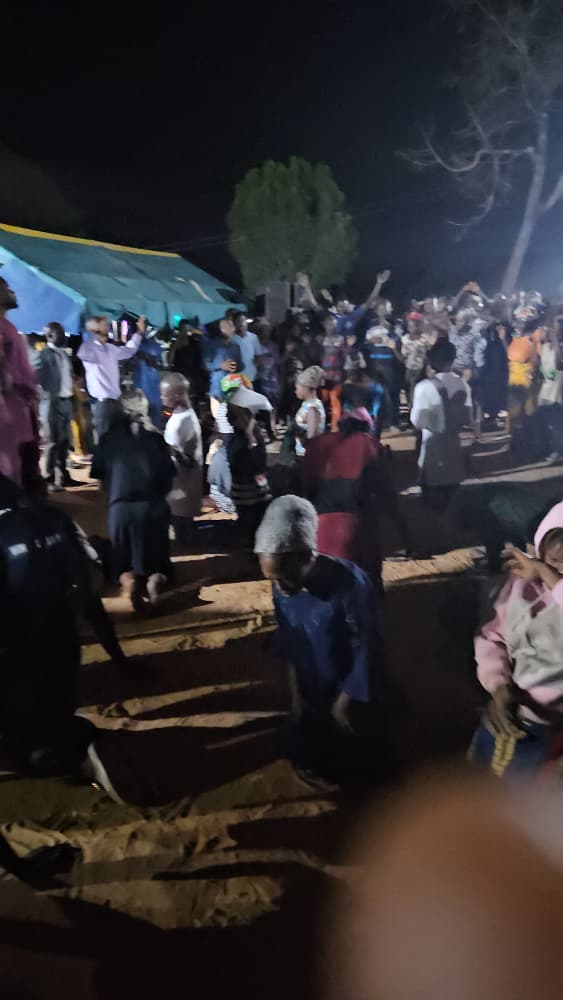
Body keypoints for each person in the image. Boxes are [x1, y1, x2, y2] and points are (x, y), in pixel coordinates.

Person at [0, 472, 126, 778]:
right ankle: (69, 751)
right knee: (60, 707)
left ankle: (59, 762)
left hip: (19, 649)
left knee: (23, 726)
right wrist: (117, 655)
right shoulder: (57, 519)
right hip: (64, 637)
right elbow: (87, 589)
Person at [255, 496, 383, 782]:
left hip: (347, 685)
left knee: (356, 755)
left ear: (307, 557)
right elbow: (290, 640)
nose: (279, 588)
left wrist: (347, 698)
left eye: (284, 577)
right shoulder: (282, 586)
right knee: (307, 748)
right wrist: (296, 695)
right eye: (272, 580)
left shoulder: (350, 583)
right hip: (311, 683)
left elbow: (367, 645)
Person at [470, 501, 563, 777]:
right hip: (528, 720)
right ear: (540, 553)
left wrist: (548, 575)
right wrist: (499, 685)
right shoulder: (518, 589)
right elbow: (491, 638)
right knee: (498, 783)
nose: (560, 571)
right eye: (555, 562)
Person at [301, 392, 399, 583]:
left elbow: (304, 487)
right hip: (357, 526)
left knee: (326, 584)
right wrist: (401, 528)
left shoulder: (317, 444)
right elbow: (386, 492)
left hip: (319, 527)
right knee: (367, 582)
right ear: (366, 427)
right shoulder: (369, 444)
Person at [90, 390, 175, 610]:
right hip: (153, 508)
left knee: (123, 563)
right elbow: (168, 480)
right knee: (158, 563)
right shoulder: (156, 439)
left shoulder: (107, 439)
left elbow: (101, 482)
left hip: (120, 510)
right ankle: (154, 582)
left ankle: (130, 583)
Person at [410, 339, 472, 512]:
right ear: (452, 360)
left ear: (431, 362)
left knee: (431, 508)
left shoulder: (423, 387)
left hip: (432, 451)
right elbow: (467, 418)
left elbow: (418, 421)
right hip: (453, 449)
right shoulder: (463, 385)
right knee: (451, 506)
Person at [0, 277, 40, 491]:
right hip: (7, 410)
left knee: (23, 462)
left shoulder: (9, 326)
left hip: (21, 407)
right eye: (6, 289)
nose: (12, 293)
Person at [77, 315, 145, 438]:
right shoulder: (90, 351)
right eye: (104, 327)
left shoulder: (110, 348)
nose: (107, 329)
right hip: (102, 404)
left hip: (116, 402)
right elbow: (82, 354)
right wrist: (93, 333)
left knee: (119, 438)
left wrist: (139, 333)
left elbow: (128, 351)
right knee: (105, 440)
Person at [160, 373, 203, 544]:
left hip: (183, 484)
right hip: (180, 484)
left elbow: (188, 461)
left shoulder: (185, 422)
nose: (162, 398)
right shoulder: (181, 415)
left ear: (177, 396)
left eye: (165, 395)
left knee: (182, 526)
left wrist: (170, 450)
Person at [37, 321, 77, 492]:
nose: (63, 336)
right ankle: (49, 478)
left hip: (67, 400)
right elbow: (37, 377)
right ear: (50, 336)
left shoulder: (64, 354)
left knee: (65, 441)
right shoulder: (44, 355)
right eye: (59, 333)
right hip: (52, 403)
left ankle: (64, 477)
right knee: (52, 441)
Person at [226, 399, 272, 546]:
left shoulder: (241, 436)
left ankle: (251, 545)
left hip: (246, 485)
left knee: (250, 519)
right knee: (256, 518)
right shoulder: (254, 432)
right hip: (255, 484)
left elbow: (234, 460)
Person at [130, 320, 163, 428]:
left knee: (153, 419)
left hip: (151, 388)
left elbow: (157, 364)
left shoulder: (154, 346)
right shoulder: (134, 345)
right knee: (140, 418)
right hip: (140, 387)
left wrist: (147, 358)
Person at [480, 321, 509, 428]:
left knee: (494, 399)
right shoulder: (492, 343)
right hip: (492, 375)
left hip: (494, 376)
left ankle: (492, 418)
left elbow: (504, 359)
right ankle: (491, 418)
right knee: (491, 398)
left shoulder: (497, 343)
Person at [320, 314, 345, 431]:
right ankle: (322, 426)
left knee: (334, 399)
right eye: (328, 323)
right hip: (323, 375)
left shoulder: (340, 339)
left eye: (333, 324)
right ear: (324, 325)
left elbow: (344, 356)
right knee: (323, 400)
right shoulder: (320, 339)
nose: (331, 326)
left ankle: (334, 426)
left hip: (336, 374)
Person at [294, 365, 326, 456]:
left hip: (308, 454)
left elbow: (311, 438)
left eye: (297, 388)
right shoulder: (308, 404)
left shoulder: (312, 408)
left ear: (305, 388)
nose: (295, 392)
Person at [401, 312, 428, 406]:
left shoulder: (424, 339)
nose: (412, 328)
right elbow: (403, 355)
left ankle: (417, 407)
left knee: (418, 390)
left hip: (420, 368)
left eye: (414, 326)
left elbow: (427, 354)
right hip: (408, 368)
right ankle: (410, 408)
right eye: (410, 326)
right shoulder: (405, 338)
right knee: (409, 389)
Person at [233, 312, 262, 384]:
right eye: (238, 321)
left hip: (251, 377)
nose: (241, 324)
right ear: (234, 324)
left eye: (243, 321)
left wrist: (255, 366)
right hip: (235, 379)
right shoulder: (231, 339)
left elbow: (258, 356)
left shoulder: (253, 337)